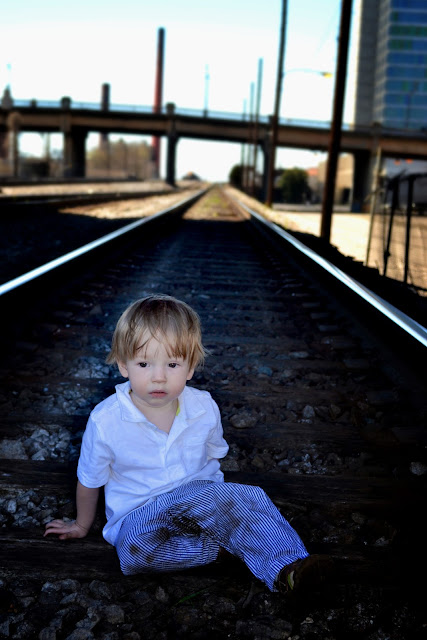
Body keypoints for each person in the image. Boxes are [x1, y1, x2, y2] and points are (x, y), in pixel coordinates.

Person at [44, 294, 332, 592]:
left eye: (172, 364)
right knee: (131, 551)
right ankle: (222, 549)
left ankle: (289, 570)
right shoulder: (105, 421)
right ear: (123, 365)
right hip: (141, 515)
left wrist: (221, 501)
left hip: (196, 497)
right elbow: (89, 480)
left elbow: (214, 457)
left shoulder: (204, 407)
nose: (158, 377)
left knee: (247, 498)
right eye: (144, 363)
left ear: (190, 368)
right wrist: (81, 525)